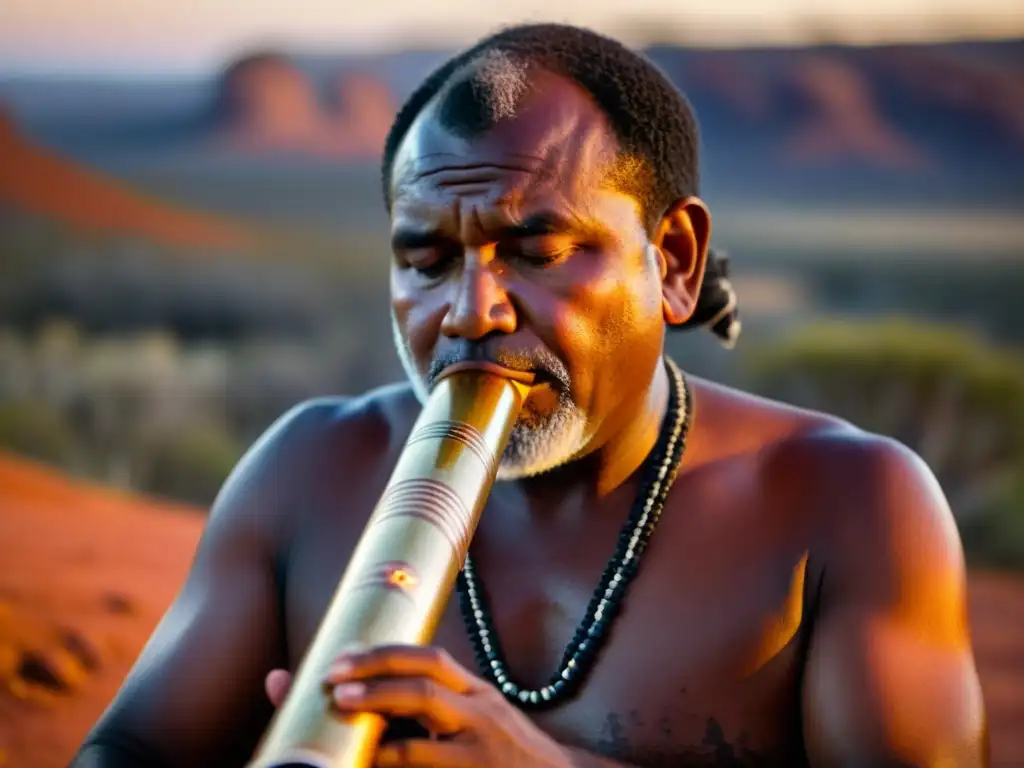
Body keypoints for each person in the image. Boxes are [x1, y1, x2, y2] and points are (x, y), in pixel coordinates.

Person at [72, 23, 987, 768]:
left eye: (536, 252)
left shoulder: (852, 501)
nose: (471, 313)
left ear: (671, 263)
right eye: (426, 259)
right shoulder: (306, 470)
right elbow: (130, 748)